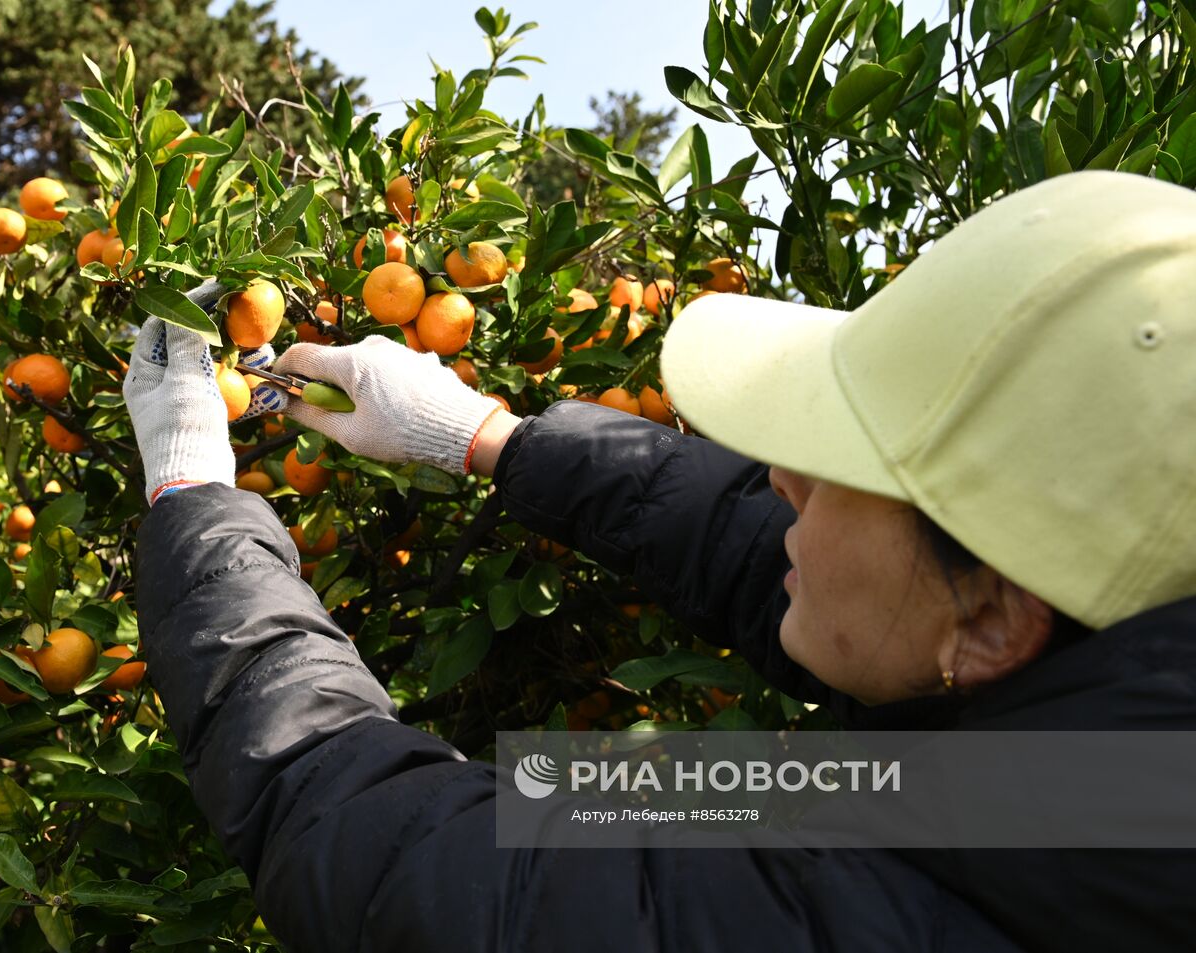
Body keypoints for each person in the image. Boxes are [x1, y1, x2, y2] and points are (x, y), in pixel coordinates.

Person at [122, 170, 1196, 952]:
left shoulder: (860, 909)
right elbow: (776, 552)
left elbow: (373, 844)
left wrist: (189, 493)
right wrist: (484, 434)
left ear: (994, 624)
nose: (782, 478)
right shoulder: (1091, 778)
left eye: (833, 467)